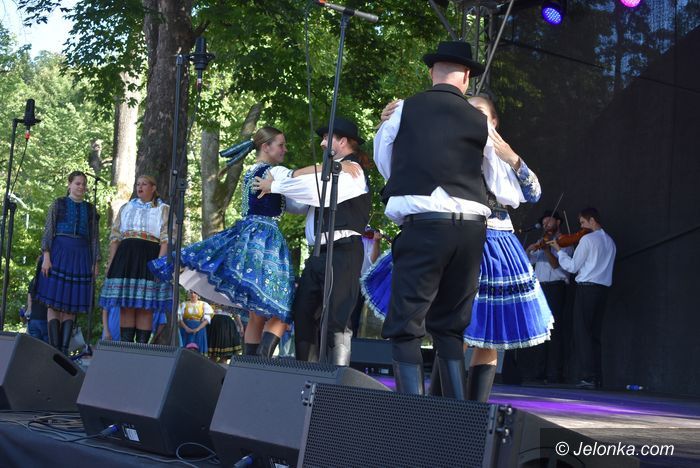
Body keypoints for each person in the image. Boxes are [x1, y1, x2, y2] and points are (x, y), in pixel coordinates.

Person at [369, 91, 553, 400]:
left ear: (493, 121)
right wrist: (392, 121)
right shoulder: (451, 145)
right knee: (455, 329)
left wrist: (512, 157)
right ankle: (442, 405)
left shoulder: (500, 152)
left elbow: (533, 193)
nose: (472, 117)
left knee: (489, 335)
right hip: (461, 237)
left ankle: (473, 411)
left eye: (480, 113)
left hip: (496, 244)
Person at [372, 41, 490, 397]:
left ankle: (413, 417)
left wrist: (413, 176)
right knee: (451, 327)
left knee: (406, 326)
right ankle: (454, 418)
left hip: (424, 225)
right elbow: (499, 180)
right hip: (471, 229)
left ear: (430, 72)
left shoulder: (403, 110)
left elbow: (384, 160)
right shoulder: (480, 120)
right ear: (466, 76)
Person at [150, 127, 300, 357]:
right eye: (281, 145)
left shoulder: (252, 171)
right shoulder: (276, 171)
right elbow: (297, 181)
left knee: (257, 313)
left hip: (248, 235)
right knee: (283, 307)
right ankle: (262, 361)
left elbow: (287, 202)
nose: (285, 149)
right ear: (265, 147)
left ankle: (249, 364)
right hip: (265, 240)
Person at [253, 116, 371, 366]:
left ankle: (334, 379)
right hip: (318, 253)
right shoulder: (330, 171)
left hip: (343, 252)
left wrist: (277, 185)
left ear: (342, 141)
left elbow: (314, 192)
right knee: (304, 314)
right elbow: (300, 200)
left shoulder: (353, 170)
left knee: (337, 318)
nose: (322, 143)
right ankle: (305, 373)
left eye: (327, 138)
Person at [99, 175, 171, 344]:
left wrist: (158, 265)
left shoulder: (163, 209)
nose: (140, 187)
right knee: (126, 303)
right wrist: (111, 262)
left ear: (153, 188)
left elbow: (166, 239)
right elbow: (115, 237)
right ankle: (126, 347)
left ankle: (141, 348)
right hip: (126, 258)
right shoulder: (126, 207)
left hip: (149, 257)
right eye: (137, 184)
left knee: (145, 305)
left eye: (144, 184)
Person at [549, 207, 616, 389]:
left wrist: (559, 251)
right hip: (603, 290)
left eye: (582, 222)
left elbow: (572, 267)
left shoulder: (587, 240)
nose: (581, 227)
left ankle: (588, 377)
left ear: (592, 220)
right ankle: (597, 377)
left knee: (582, 333)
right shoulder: (610, 241)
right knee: (594, 334)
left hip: (587, 289)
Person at [35, 171, 99, 354]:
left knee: (71, 304)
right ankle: (54, 348)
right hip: (59, 253)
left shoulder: (90, 209)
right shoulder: (59, 203)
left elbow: (94, 238)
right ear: (69, 184)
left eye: (84, 184)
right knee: (54, 302)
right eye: (78, 183)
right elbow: (49, 230)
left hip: (81, 256)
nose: (81, 187)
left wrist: (95, 262)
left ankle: (63, 350)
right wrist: (46, 256)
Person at [524, 210, 572, 383]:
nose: (545, 226)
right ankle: (538, 372)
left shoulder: (565, 242)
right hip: (540, 287)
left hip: (556, 287)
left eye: (549, 222)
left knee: (555, 331)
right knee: (539, 330)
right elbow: (528, 262)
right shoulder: (541, 241)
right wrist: (529, 250)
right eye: (543, 224)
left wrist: (547, 250)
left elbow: (557, 266)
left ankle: (555, 373)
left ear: (558, 222)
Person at [26, 255, 49, 343]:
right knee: (48, 349)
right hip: (46, 319)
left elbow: (29, 304)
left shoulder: (34, 281)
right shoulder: (51, 281)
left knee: (35, 348)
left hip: (33, 319)